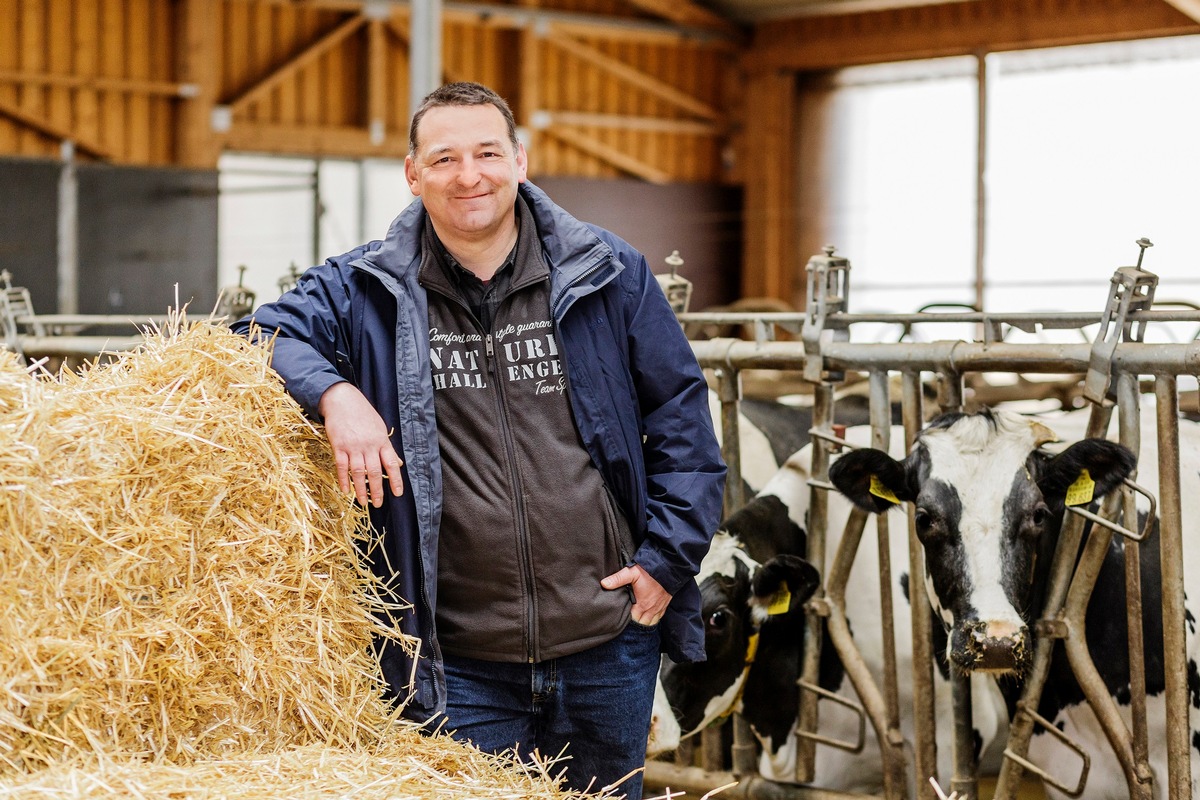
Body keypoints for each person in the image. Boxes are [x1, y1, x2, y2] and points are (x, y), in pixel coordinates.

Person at [233, 81, 725, 799]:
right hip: (457, 663)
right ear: (412, 173)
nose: (470, 175)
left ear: (521, 161)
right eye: (445, 158)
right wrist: (336, 395)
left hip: (607, 642)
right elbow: (258, 332)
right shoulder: (365, 286)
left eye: (488, 152)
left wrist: (666, 559)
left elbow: (681, 416)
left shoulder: (606, 271)